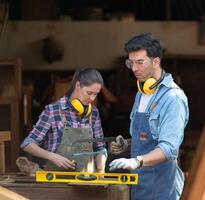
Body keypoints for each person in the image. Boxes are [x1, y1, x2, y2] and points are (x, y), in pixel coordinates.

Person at [109, 33, 189, 200]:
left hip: (161, 188)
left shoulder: (172, 98)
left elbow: (169, 148)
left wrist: (136, 161)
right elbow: (146, 140)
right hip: (139, 184)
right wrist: (128, 145)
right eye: (131, 62)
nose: (134, 68)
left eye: (140, 62)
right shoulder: (142, 93)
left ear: (156, 61)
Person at [20, 68, 107, 172]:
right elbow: (27, 144)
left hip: (86, 181)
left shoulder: (94, 113)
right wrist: (52, 156)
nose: (92, 99)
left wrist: (101, 170)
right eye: (89, 93)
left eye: (95, 94)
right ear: (78, 85)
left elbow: (100, 148)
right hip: (56, 181)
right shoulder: (53, 111)